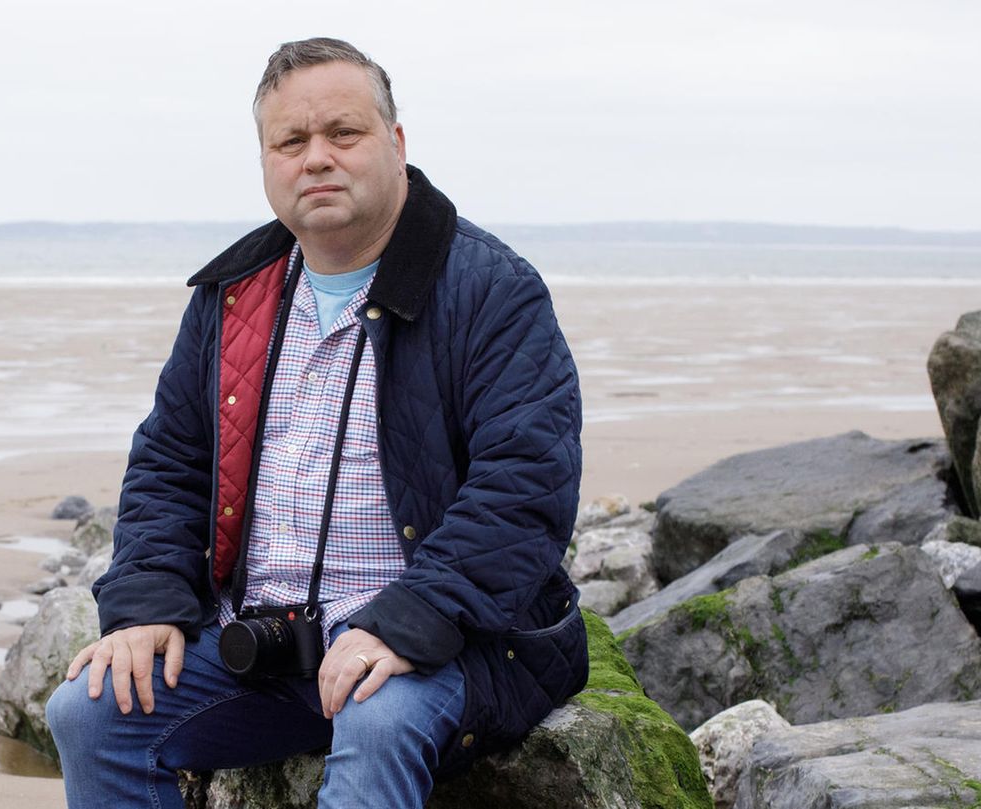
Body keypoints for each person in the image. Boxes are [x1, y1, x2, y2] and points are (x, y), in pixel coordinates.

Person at [46, 37, 587, 809]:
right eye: (291, 141)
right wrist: (147, 605)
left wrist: (404, 624)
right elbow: (171, 460)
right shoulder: (233, 294)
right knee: (92, 712)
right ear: (266, 161)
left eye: (344, 133)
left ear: (396, 145)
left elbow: (526, 486)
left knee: (378, 718)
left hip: (441, 642)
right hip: (263, 645)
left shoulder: (491, 291)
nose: (317, 158)